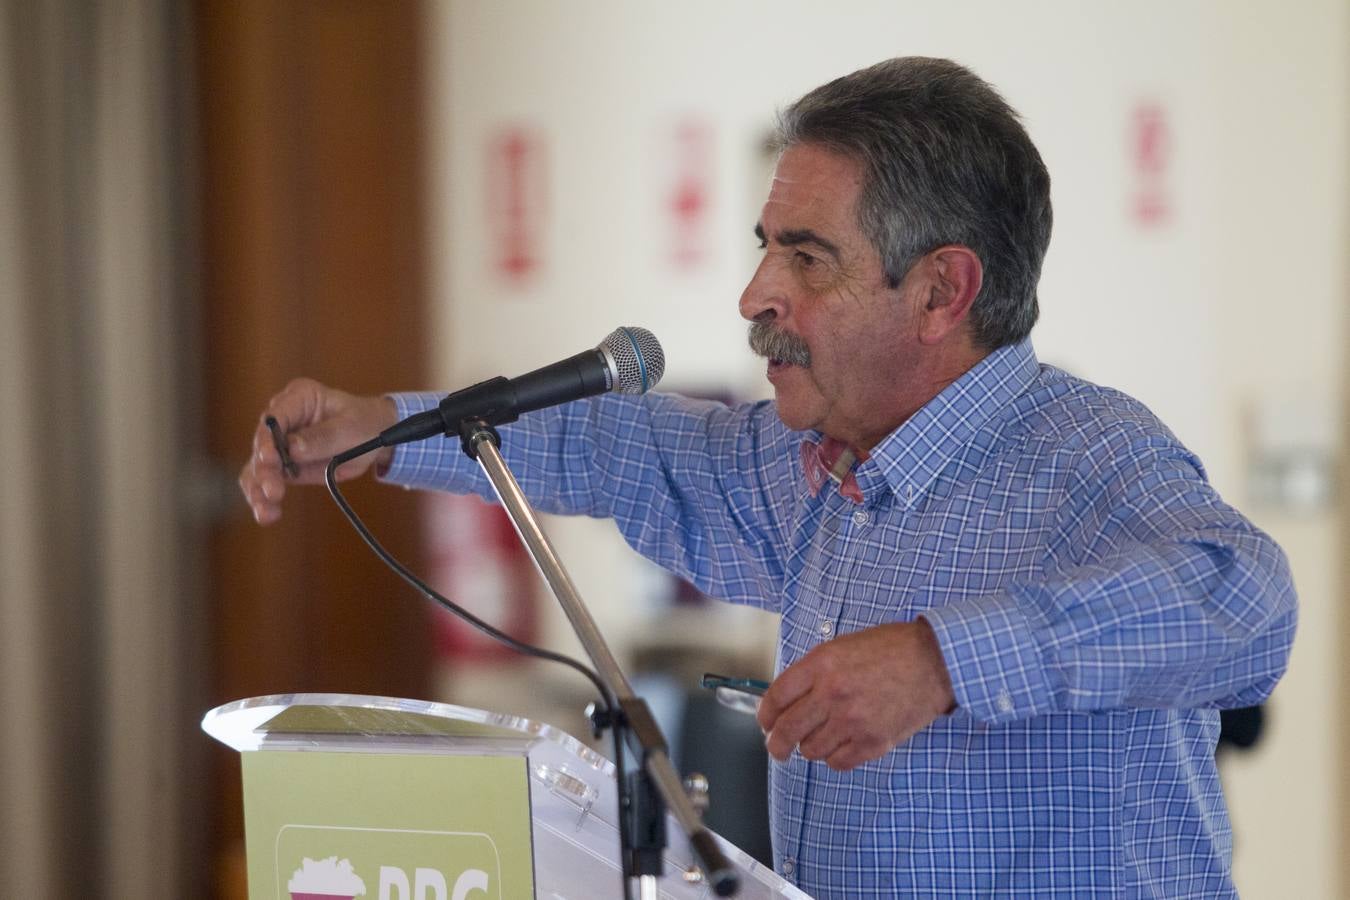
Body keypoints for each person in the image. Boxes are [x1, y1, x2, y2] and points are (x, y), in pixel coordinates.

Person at [239, 57, 1297, 898]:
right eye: (763, 249)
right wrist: (387, 427)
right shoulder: (807, 466)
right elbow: (614, 446)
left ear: (941, 290)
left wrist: (941, 663)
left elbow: (1246, 601)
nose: (755, 293)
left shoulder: (1082, 451)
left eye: (807, 257)